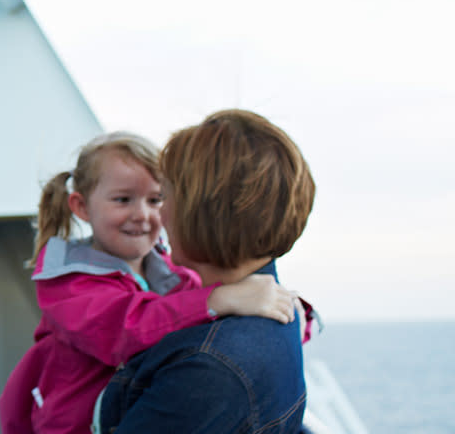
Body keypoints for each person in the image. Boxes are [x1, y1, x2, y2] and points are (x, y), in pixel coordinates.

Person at [0, 132, 298, 434]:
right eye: (123, 200)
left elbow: (201, 314)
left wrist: (284, 306)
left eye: (155, 200)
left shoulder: (167, 271)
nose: (142, 215)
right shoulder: (67, 285)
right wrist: (217, 299)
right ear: (82, 207)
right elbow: (128, 327)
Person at [94, 110, 316, 433]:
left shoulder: (208, 368)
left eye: (164, 198)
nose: (161, 217)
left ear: (203, 213)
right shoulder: (283, 313)